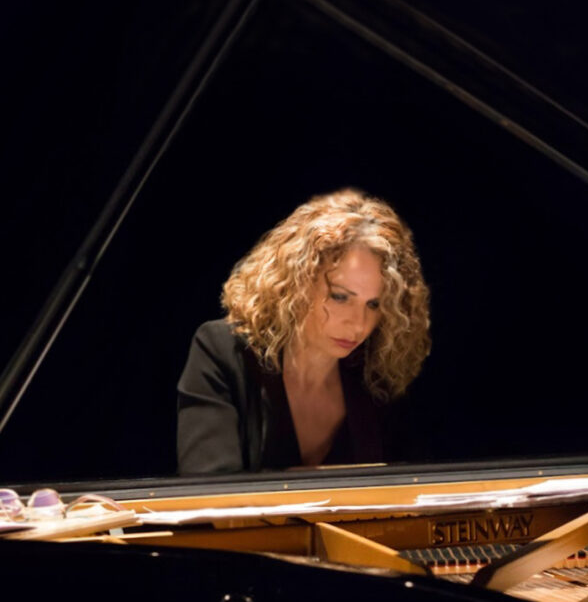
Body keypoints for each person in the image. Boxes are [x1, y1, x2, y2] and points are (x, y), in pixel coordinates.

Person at [177, 188, 431, 474]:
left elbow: (407, 486)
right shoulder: (223, 351)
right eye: (340, 297)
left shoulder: (375, 373)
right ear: (296, 284)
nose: (359, 324)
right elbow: (209, 491)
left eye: (374, 304)